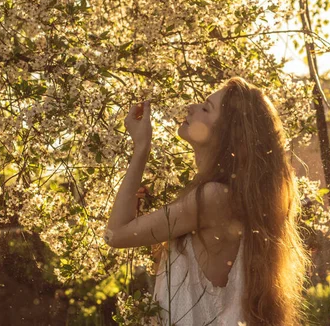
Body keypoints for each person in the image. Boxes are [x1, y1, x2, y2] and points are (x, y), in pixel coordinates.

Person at [104, 77, 311, 325]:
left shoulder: (212, 198)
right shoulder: (226, 197)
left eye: (206, 108)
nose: (191, 107)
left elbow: (114, 235)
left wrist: (141, 147)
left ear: (228, 133)